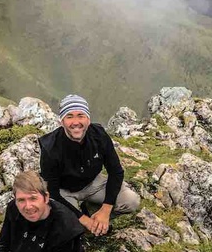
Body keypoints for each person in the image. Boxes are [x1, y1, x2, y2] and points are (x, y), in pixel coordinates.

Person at [39, 94, 140, 236]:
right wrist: (84, 220)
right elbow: (53, 192)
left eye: (80, 115)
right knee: (67, 223)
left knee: (131, 201)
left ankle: (95, 212)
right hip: (64, 191)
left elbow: (116, 172)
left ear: (88, 119)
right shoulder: (50, 148)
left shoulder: (99, 136)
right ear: (61, 121)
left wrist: (105, 210)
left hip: (93, 183)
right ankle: (86, 219)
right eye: (69, 116)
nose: (75, 122)